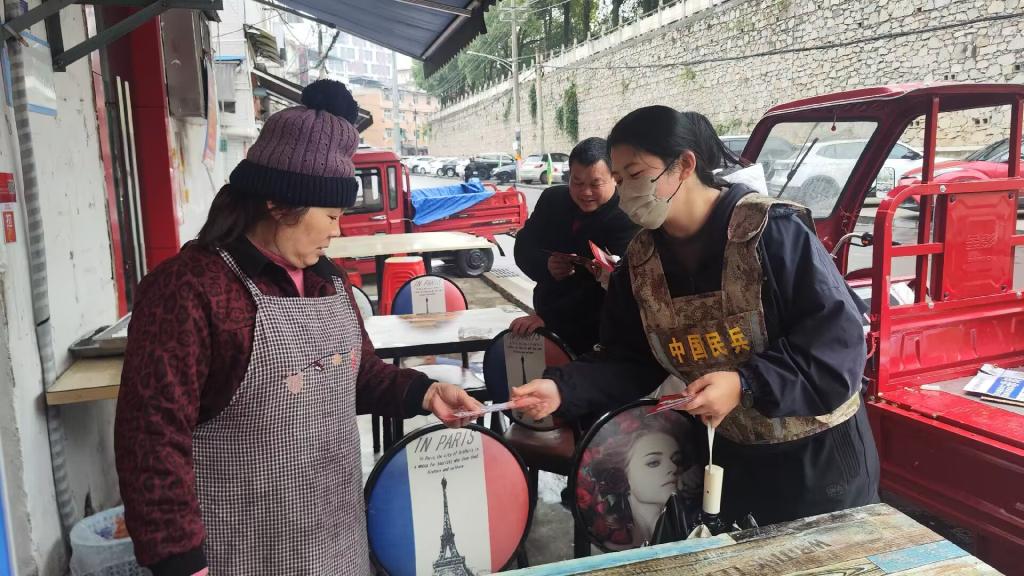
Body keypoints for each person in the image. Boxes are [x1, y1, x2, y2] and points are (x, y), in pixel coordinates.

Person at [114, 80, 481, 576]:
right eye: (330, 215)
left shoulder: (327, 280)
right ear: (278, 204)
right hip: (238, 555)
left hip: (337, 542)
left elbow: (356, 374)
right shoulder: (191, 288)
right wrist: (179, 563)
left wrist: (426, 392)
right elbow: (151, 439)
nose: (337, 230)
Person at [513, 106, 879, 527]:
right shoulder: (640, 263)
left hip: (819, 460)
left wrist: (746, 383)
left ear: (684, 165)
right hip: (728, 456)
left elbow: (837, 347)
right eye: (618, 179)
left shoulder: (771, 232)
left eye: (635, 174)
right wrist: (562, 388)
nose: (625, 191)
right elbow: (628, 359)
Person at [511, 137, 638, 355]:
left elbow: (614, 289)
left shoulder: (628, 216)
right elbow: (524, 245)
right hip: (545, 313)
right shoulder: (552, 200)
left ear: (614, 178)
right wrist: (547, 265)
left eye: (595, 184)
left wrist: (551, 318)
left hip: (599, 329)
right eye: (577, 183)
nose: (585, 192)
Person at [577, 411, 701, 549]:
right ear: (622, 475)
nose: (673, 468)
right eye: (653, 462)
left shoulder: (697, 534)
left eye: (676, 460)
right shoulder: (616, 550)